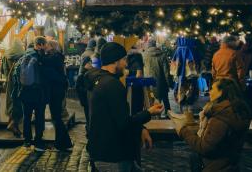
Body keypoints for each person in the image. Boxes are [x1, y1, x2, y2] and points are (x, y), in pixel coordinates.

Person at [85, 42, 164, 171]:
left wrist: (140, 128)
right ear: (115, 61)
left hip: (102, 152)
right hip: (113, 155)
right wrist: (149, 113)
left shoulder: (97, 80)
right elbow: (124, 123)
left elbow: (114, 117)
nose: (126, 64)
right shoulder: (112, 85)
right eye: (123, 60)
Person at [178, 78, 251, 171]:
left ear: (221, 92)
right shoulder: (237, 110)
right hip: (231, 165)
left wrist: (183, 131)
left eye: (212, 89)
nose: (210, 92)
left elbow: (204, 147)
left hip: (215, 167)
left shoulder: (222, 116)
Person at [16, 36, 48, 151]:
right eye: (45, 45)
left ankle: (27, 141)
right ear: (40, 45)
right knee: (39, 117)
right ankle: (38, 142)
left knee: (27, 117)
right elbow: (44, 76)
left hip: (25, 92)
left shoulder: (24, 56)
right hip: (38, 92)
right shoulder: (40, 57)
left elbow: (18, 75)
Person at [42, 39, 73, 151]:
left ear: (52, 47)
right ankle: (62, 143)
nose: (45, 47)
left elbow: (47, 67)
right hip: (57, 91)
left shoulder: (53, 58)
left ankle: (64, 143)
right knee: (56, 117)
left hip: (55, 92)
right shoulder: (57, 57)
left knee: (56, 118)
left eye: (47, 45)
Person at [142, 39, 172, 117]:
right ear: (155, 45)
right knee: (165, 100)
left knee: (152, 100)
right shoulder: (162, 54)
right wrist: (169, 82)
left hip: (148, 82)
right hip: (161, 82)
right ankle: (169, 115)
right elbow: (166, 71)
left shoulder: (144, 55)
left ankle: (156, 117)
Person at [1, 40, 26, 137]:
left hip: (9, 83)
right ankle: (13, 125)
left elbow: (2, 71)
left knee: (11, 102)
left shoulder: (6, 56)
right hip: (19, 83)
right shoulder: (23, 56)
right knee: (18, 103)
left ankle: (13, 125)